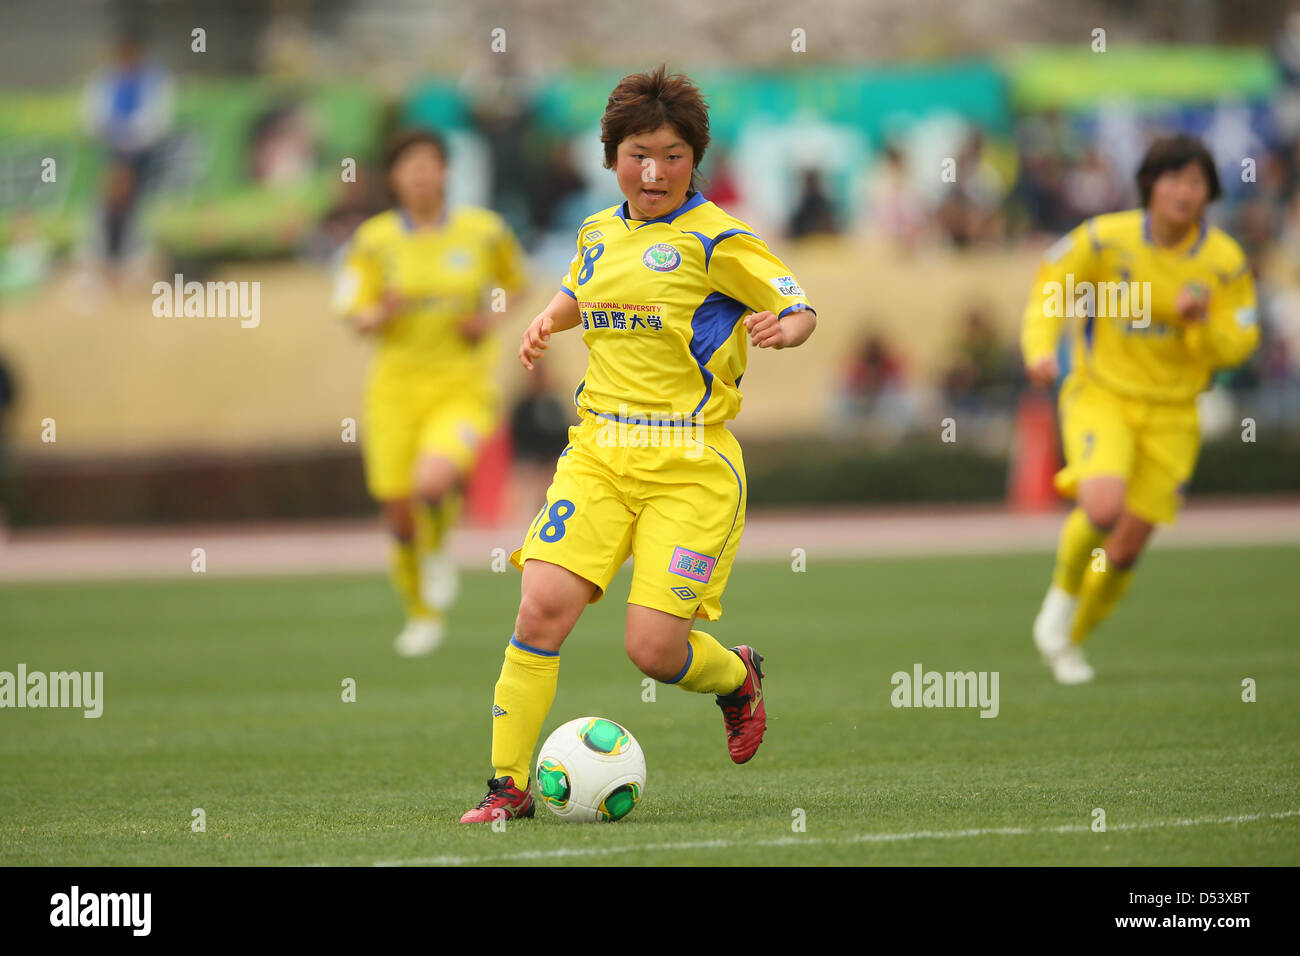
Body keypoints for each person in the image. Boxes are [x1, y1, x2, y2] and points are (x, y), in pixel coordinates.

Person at [460, 66, 818, 822]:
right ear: (611, 156)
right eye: (636, 154)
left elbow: (799, 305)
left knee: (654, 652)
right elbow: (582, 288)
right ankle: (507, 789)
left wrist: (782, 330)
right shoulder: (596, 231)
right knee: (539, 610)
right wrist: (546, 321)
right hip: (598, 454)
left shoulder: (719, 237)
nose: (653, 172)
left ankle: (736, 679)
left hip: (690, 467)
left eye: (672, 155)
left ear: (695, 159)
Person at [1022, 135, 1259, 684]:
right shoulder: (1105, 240)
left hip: (1175, 413)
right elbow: (1048, 292)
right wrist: (1038, 351)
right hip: (1101, 394)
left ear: (1209, 194)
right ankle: (1059, 600)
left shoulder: (1224, 263)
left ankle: (1072, 640)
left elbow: (1239, 344)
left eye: (1196, 182)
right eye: (1173, 177)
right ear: (1150, 183)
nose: (1183, 190)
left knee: (1126, 548)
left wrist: (1198, 322)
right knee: (1103, 507)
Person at [334, 129, 528, 656]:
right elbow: (353, 309)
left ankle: (438, 548)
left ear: (446, 172)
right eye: (408, 165)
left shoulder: (483, 231)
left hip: (462, 386)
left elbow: (517, 284)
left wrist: (487, 320)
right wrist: (380, 313)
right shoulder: (373, 240)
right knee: (397, 512)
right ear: (394, 177)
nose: (420, 174)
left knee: (432, 479)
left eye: (430, 164)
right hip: (395, 390)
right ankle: (420, 614)